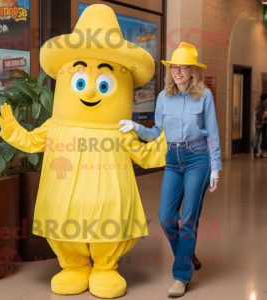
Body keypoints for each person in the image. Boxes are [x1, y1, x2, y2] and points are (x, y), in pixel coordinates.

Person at [119, 42, 222, 297]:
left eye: (183, 67)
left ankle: (181, 277)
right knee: (166, 219)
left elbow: (212, 134)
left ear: (192, 71)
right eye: (174, 67)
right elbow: (157, 133)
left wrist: (216, 168)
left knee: (188, 219)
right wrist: (135, 126)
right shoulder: (164, 97)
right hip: (173, 160)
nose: (177, 71)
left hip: (198, 158)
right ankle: (188, 257)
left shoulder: (205, 96)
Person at [253, 93, 267, 158]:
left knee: (264, 137)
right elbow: (256, 112)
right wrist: (262, 116)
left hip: (264, 123)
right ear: (264, 99)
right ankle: (255, 152)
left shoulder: (263, 104)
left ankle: (261, 151)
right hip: (259, 123)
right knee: (257, 137)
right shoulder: (260, 104)